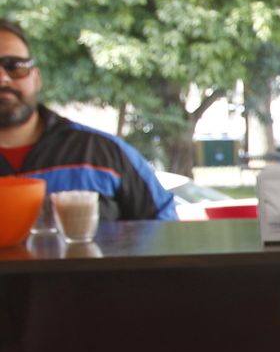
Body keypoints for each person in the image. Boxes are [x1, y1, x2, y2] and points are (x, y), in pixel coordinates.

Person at [0, 19, 176, 222]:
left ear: (36, 78)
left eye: (14, 66)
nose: (2, 78)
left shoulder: (104, 154)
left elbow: (165, 226)